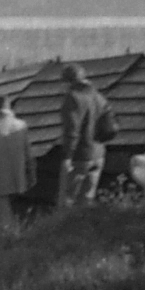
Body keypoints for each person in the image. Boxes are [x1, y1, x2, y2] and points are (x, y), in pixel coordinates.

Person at [0, 94, 34, 230]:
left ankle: (6, 238)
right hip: (19, 177)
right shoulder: (22, 125)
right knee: (19, 216)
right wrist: (31, 174)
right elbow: (28, 154)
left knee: (3, 219)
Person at [58, 62, 106, 205]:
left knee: (68, 201)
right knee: (86, 202)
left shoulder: (73, 97)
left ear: (68, 81)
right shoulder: (98, 96)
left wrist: (67, 156)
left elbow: (72, 130)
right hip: (98, 154)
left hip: (80, 156)